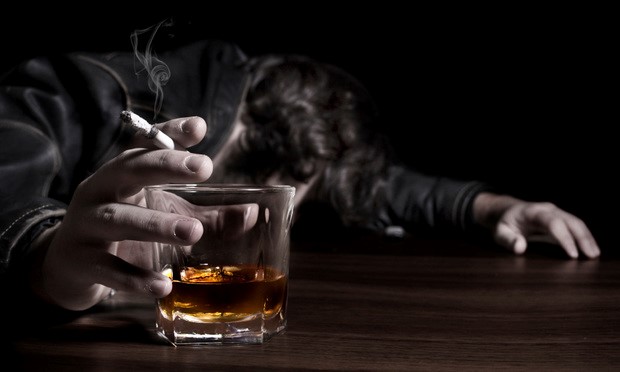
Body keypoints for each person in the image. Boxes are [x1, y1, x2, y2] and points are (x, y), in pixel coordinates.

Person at [0, 39, 599, 313]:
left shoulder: (254, 118)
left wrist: (488, 207)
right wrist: (47, 250)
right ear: (289, 169)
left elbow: (385, 186)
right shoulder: (88, 95)